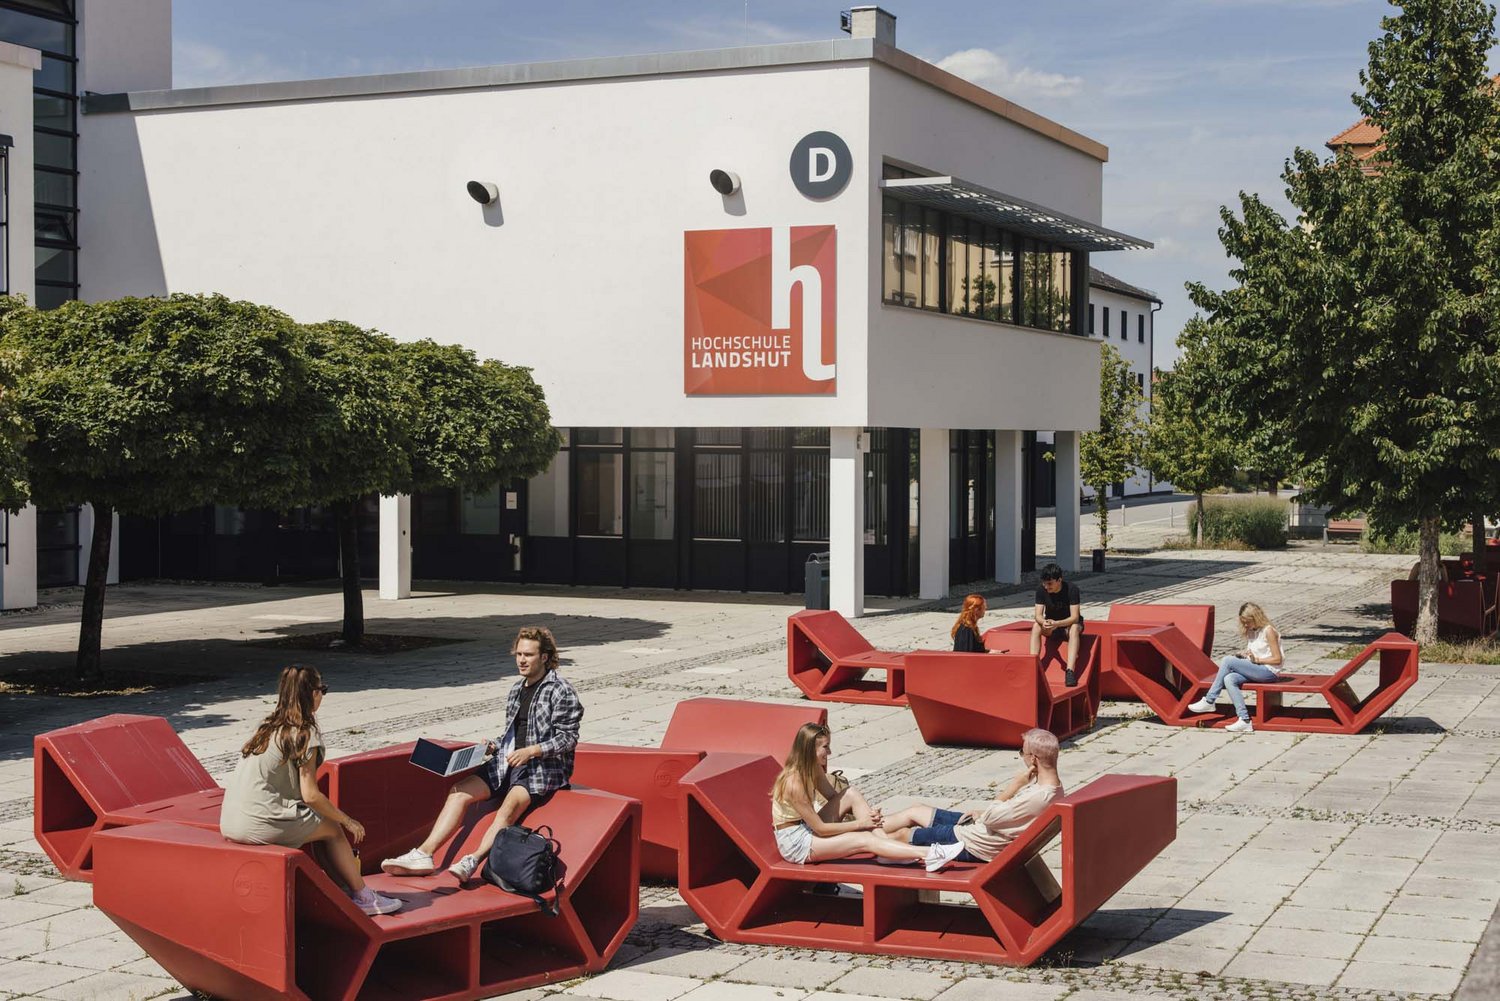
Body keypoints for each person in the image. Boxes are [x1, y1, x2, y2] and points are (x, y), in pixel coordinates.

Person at [382, 626, 584, 882]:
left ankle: (472, 860)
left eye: (529, 655)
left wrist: (532, 751)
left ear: (544, 657)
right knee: (459, 791)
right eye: (519, 654)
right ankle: (423, 854)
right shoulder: (516, 690)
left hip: (542, 768)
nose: (522, 660)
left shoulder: (560, 690)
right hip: (507, 760)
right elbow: (515, 732)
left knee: (509, 808)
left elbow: (568, 738)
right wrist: (494, 745)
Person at [221, 665, 402, 916]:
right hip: (259, 822)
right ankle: (363, 896)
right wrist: (348, 821)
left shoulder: (267, 727)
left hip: (230, 821)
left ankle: (341, 890)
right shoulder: (304, 733)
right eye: (322, 690)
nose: (323, 696)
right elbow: (311, 795)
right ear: (311, 694)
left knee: (318, 824)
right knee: (334, 829)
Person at [771, 722, 956, 869]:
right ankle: (931, 854)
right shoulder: (793, 783)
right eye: (825, 747)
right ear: (810, 750)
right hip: (796, 842)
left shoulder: (813, 768)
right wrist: (861, 824)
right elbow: (820, 829)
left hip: (807, 828)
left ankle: (887, 852)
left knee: (850, 793)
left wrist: (868, 816)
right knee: (864, 839)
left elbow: (838, 799)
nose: (830, 752)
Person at [879, 728, 1065, 872]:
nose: (1021, 756)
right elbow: (1005, 817)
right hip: (983, 829)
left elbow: (993, 816)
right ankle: (862, 827)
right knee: (916, 810)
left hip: (973, 844)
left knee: (903, 835)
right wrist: (981, 815)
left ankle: (860, 842)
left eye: (1022, 752)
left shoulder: (1038, 797)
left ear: (1033, 759)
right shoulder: (1053, 788)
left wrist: (1015, 785)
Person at [1188, 602, 1284, 733]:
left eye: (1247, 622)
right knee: (1229, 679)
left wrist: (1257, 660)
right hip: (1257, 669)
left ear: (1256, 618)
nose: (1245, 625)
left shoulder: (1269, 631)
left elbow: (1277, 659)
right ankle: (1244, 720)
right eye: (1243, 622)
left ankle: (1210, 700)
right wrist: (1245, 655)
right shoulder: (1252, 631)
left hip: (1268, 671)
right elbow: (1255, 652)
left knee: (1227, 660)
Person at [1031, 563, 1082, 686]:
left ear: (1059, 580)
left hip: (1068, 625)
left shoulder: (1072, 589)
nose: (1046, 586)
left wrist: (1057, 624)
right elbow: (1038, 615)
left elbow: (1075, 617)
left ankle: (1069, 671)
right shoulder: (1041, 590)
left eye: (1050, 584)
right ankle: (1032, 664)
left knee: (1074, 628)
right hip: (1052, 626)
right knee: (1036, 626)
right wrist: (1045, 622)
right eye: (1044, 583)